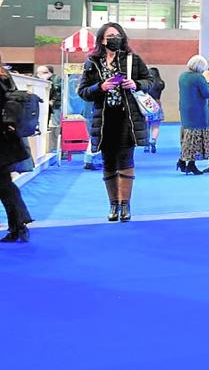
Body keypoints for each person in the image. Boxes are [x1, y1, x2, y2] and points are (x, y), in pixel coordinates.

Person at [77, 23, 153, 223]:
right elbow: (82, 91)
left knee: (126, 161)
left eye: (118, 35)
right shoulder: (92, 62)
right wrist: (100, 87)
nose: (114, 38)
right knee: (108, 163)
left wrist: (136, 84)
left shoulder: (132, 60)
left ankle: (125, 204)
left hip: (127, 119)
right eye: (110, 35)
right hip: (104, 120)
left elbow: (151, 81)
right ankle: (113, 205)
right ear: (102, 39)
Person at [1, 56, 32, 243]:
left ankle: (19, 225)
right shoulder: (5, 76)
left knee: (4, 186)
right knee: (5, 186)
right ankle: (19, 225)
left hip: (3, 140)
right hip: (7, 139)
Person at [177, 56, 209, 176]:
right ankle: (191, 164)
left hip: (185, 111)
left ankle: (183, 161)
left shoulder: (182, 76)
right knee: (195, 140)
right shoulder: (199, 78)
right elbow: (207, 93)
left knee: (187, 138)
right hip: (198, 112)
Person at [35, 65, 61, 153]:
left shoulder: (54, 80)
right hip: (45, 107)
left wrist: (51, 102)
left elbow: (57, 94)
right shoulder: (38, 81)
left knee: (53, 126)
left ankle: (53, 147)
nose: (38, 75)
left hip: (53, 107)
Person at [144, 67, 166, 154]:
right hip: (157, 104)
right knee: (155, 126)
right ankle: (153, 141)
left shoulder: (147, 84)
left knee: (146, 126)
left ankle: (146, 144)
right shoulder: (161, 83)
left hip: (147, 104)